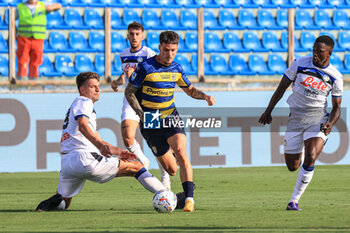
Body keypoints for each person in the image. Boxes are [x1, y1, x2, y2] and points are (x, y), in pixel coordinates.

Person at [36, 72, 169, 211]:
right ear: (82, 90)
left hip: (67, 163)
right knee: (136, 167)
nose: (98, 89)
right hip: (85, 159)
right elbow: (82, 125)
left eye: (98, 86)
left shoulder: (81, 109)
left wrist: (120, 152)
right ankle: (166, 195)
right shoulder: (83, 101)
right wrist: (100, 146)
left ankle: (52, 204)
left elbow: (98, 139)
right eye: (93, 86)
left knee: (64, 202)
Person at [124, 31, 216, 212]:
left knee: (182, 151)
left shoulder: (177, 69)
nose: (170, 54)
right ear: (159, 48)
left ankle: (189, 198)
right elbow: (129, 92)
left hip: (170, 115)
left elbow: (190, 90)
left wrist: (205, 96)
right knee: (172, 169)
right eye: (166, 50)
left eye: (173, 50)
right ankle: (181, 190)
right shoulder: (145, 68)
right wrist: (141, 114)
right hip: (150, 119)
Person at [258, 35, 343, 211]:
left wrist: (331, 124)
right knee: (292, 166)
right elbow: (281, 88)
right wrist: (268, 111)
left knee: (312, 155)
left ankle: (293, 201)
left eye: (319, 52)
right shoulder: (299, 63)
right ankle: (305, 147)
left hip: (318, 118)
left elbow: (336, 107)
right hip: (296, 118)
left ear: (329, 53)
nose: (315, 55)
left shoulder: (335, 76)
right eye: (313, 50)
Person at [111, 22, 171, 190]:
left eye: (138, 34)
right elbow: (126, 73)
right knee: (127, 136)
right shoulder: (123, 54)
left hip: (148, 101)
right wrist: (118, 81)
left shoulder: (150, 54)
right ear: (128, 36)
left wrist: (136, 76)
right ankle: (143, 160)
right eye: (132, 33)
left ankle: (165, 176)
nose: (135, 36)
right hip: (130, 99)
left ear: (142, 36)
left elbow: (156, 75)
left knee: (156, 140)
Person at [16, 0, 61, 80]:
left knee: (36, 60)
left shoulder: (43, 5)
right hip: (24, 38)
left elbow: (59, 5)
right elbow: (12, 19)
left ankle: (33, 81)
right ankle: (21, 80)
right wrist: (15, 34)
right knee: (22, 60)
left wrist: (51, 7)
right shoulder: (20, 7)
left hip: (38, 38)